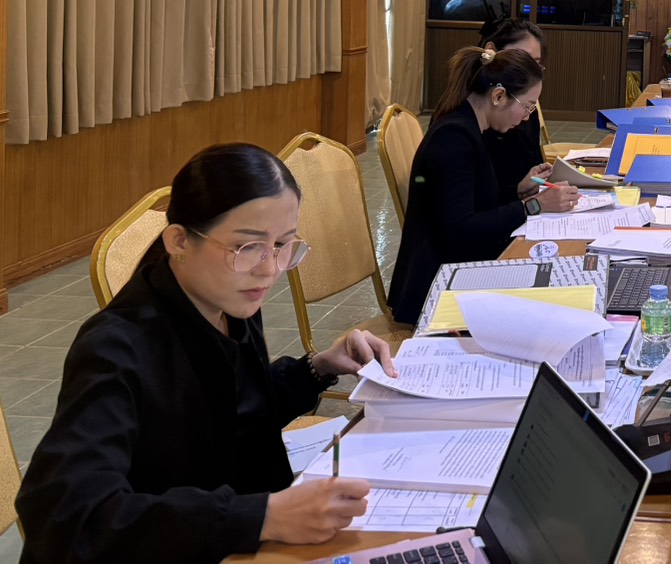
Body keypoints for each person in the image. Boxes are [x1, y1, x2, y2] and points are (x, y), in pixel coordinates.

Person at [15, 144, 399, 563]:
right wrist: (261, 517)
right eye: (247, 246)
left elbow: (229, 413)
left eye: (282, 245)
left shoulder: (229, 301)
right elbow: (66, 518)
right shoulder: (115, 348)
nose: (269, 269)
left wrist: (318, 367)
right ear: (179, 240)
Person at [387, 46, 579, 324]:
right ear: (498, 96)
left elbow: (472, 202)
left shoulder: (469, 127)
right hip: (436, 288)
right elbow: (461, 229)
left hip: (456, 267)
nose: (526, 117)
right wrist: (533, 206)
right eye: (526, 106)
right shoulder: (453, 138)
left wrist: (518, 190)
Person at [479, 18, 575, 202]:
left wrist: (523, 190)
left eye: (535, 64)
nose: (529, 74)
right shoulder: (466, 126)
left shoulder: (524, 113)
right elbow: (474, 209)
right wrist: (532, 204)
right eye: (521, 59)